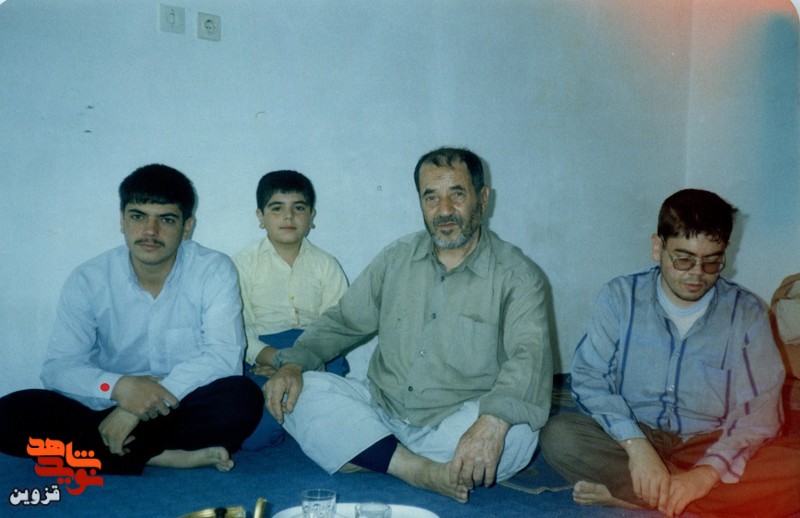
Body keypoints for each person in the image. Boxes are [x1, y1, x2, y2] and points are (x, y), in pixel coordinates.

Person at [264, 147, 553, 503]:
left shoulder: (518, 276)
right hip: (382, 409)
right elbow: (344, 321)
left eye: (457, 194)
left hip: (456, 423)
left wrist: (491, 423)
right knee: (300, 391)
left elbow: (529, 358)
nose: (444, 210)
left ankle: (372, 453)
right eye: (431, 197)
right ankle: (419, 470)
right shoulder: (397, 258)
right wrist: (293, 363)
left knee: (519, 432)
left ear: (483, 198)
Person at [540, 189, 800, 517]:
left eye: (712, 261)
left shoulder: (747, 313)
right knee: (558, 436)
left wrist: (706, 473)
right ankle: (685, 495)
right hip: (636, 432)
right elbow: (589, 379)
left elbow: (759, 411)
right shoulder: (620, 297)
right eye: (683, 259)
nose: (697, 274)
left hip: (710, 441)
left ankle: (641, 494)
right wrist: (636, 446)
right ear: (657, 247)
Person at [0, 164, 262, 475]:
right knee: (9, 414)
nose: (150, 231)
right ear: (122, 221)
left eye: (166, 219)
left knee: (241, 398)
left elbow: (223, 357)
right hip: (105, 403)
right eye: (138, 217)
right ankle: (158, 455)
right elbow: (59, 367)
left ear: (187, 227)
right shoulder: (89, 279)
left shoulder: (214, 270)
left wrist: (137, 407)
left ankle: (113, 453)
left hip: (180, 400)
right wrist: (120, 388)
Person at [233, 170, 349, 450]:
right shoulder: (242, 265)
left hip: (317, 351)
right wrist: (276, 359)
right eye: (277, 208)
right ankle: (295, 411)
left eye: (298, 208)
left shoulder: (326, 264)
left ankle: (301, 407)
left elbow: (338, 326)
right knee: (254, 437)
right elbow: (239, 331)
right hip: (265, 354)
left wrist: (296, 363)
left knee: (339, 416)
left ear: (311, 216)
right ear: (260, 217)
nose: (288, 216)